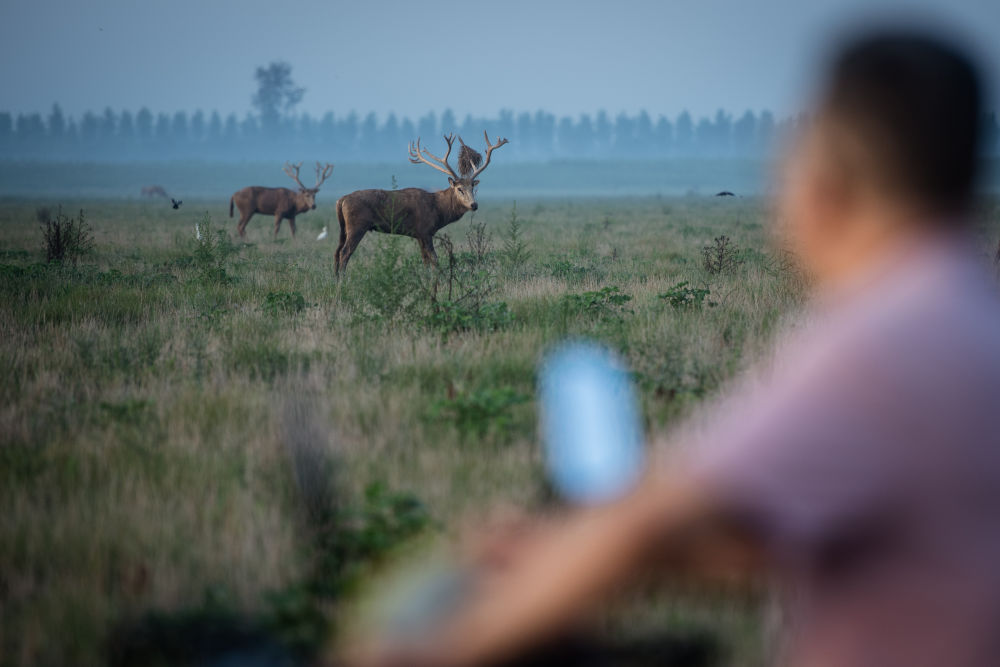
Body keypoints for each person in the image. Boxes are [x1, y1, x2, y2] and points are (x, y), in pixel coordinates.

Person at [346, 29, 1000, 667]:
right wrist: (561, 545)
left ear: (827, 178)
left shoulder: (879, 341)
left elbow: (645, 520)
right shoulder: (968, 313)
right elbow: (756, 546)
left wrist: (439, 647)